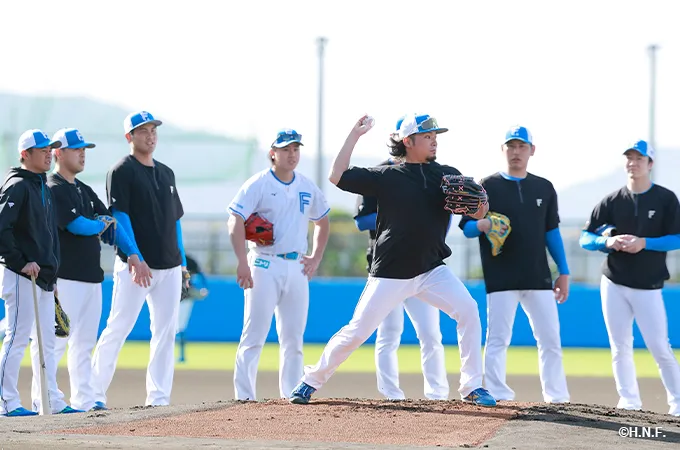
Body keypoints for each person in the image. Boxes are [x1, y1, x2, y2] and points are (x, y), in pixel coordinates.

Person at [289, 113, 496, 407]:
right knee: (357, 331)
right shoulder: (387, 176)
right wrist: (354, 135)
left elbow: (477, 213)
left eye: (435, 136)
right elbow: (337, 176)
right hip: (390, 272)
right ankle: (311, 380)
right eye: (427, 136)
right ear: (408, 141)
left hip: (431, 270)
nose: (434, 141)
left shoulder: (447, 175)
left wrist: (481, 203)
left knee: (469, 311)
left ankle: (472, 386)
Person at [458, 125, 570, 404]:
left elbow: (552, 233)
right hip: (501, 276)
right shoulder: (487, 186)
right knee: (497, 339)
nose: (516, 151)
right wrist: (481, 224)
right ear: (503, 150)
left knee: (550, 340)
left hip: (538, 276)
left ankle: (556, 397)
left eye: (522, 146)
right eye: (511, 146)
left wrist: (564, 271)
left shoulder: (544, 187)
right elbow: (466, 228)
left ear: (532, 150)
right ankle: (498, 393)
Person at [33, 128, 137, 412]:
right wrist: (99, 224)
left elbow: (111, 223)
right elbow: (77, 225)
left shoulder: (84, 189)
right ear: (58, 152)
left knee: (84, 344)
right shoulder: (53, 187)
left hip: (91, 277)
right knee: (56, 342)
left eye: (84, 149)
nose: (82, 154)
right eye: (76, 148)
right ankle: (45, 399)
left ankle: (84, 400)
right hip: (64, 277)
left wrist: (133, 253)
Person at [90, 111, 188, 408]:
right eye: (143, 130)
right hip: (136, 266)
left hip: (170, 266)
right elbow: (120, 216)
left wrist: (183, 263)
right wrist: (134, 255)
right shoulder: (122, 170)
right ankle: (92, 395)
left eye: (153, 130)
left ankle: (158, 399)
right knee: (118, 327)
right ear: (129, 137)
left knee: (165, 333)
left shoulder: (166, 173)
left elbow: (176, 221)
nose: (150, 135)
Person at [228, 129, 331, 401]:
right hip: (263, 262)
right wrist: (242, 262)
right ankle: (244, 396)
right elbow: (235, 219)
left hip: (297, 265)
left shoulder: (307, 186)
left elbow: (322, 221)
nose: (292, 154)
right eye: (286, 149)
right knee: (254, 335)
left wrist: (316, 257)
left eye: (296, 149)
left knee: (293, 338)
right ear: (273, 153)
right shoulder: (258, 184)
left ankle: (291, 393)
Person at [579, 140, 680, 417]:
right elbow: (585, 237)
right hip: (614, 281)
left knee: (659, 347)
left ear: (650, 163)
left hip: (648, 285)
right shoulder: (612, 200)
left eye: (639, 158)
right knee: (619, 346)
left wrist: (644, 242)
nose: (633, 163)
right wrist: (607, 241)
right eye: (629, 158)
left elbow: (677, 237)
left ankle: (677, 405)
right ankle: (629, 402)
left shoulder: (665, 199)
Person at [354, 149, 448, 399]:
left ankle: (437, 394)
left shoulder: (430, 173)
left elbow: (444, 213)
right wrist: (403, 214)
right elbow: (361, 221)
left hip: (423, 266)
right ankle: (391, 394)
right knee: (389, 333)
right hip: (387, 268)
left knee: (431, 334)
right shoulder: (379, 172)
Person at [0, 129, 79, 416]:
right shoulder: (17, 185)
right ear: (25, 154)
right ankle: (6, 402)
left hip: (42, 277)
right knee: (17, 338)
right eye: (43, 149)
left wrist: (52, 276)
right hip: (21, 274)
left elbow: (49, 237)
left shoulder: (42, 186)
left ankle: (48, 400)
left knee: (46, 342)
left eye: (50, 149)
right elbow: (1, 228)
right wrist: (20, 261)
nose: (48, 153)